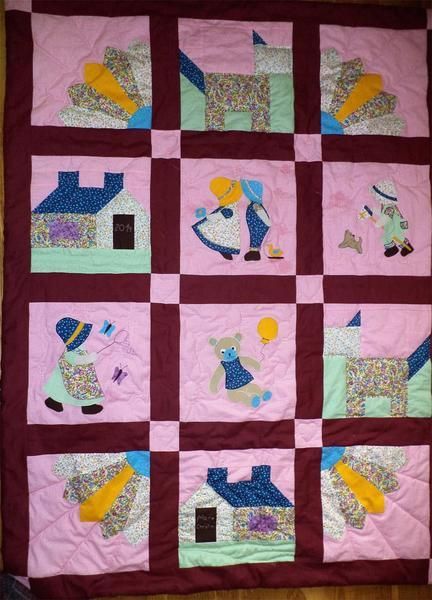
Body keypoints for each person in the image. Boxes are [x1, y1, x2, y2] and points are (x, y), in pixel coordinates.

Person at [44, 317, 104, 415]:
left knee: (83, 388)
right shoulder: (70, 353)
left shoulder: (79, 348)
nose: (84, 339)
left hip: (80, 376)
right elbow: (78, 360)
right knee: (66, 388)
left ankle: (88, 405)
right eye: (82, 337)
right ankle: (54, 402)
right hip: (71, 377)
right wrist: (90, 358)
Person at [192, 177, 242, 260]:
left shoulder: (230, 205)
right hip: (226, 224)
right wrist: (209, 216)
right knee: (221, 234)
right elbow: (223, 214)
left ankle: (224, 249)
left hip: (229, 225)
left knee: (227, 236)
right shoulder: (229, 206)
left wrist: (208, 216)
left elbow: (224, 214)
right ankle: (223, 249)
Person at [369, 179, 414, 258]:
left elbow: (385, 217)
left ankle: (401, 248)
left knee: (393, 237)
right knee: (389, 237)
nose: (377, 200)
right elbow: (382, 213)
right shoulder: (386, 206)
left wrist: (378, 223)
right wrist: (372, 210)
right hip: (391, 227)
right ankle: (393, 248)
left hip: (395, 227)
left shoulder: (389, 208)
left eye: (378, 197)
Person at [241, 179, 271, 261]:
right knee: (254, 239)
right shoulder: (253, 204)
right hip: (255, 225)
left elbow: (262, 214)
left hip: (258, 226)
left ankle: (254, 254)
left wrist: (267, 223)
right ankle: (254, 253)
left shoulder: (256, 205)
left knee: (255, 239)